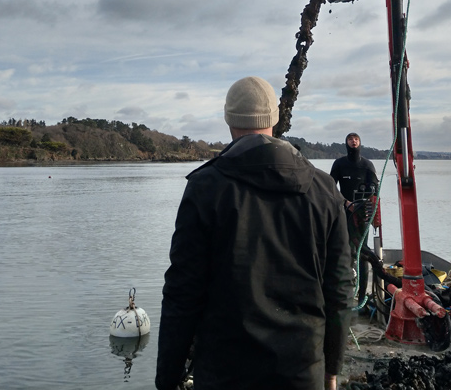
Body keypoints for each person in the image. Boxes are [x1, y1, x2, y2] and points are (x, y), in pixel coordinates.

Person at [156, 76, 354, 390]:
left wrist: (167, 377)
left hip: (224, 373)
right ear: (274, 119)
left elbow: (182, 293)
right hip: (302, 370)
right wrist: (332, 368)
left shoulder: (205, 187)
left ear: (228, 119)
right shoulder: (325, 189)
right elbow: (340, 290)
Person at [330, 133, 395, 304]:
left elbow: (375, 188)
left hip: (362, 214)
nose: (353, 142)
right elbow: (330, 187)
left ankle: (362, 296)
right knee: (344, 250)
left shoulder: (367, 165)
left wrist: (364, 201)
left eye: (356, 139)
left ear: (360, 143)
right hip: (343, 211)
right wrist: (345, 202)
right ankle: (343, 292)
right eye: (350, 139)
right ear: (346, 143)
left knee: (362, 252)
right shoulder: (339, 164)